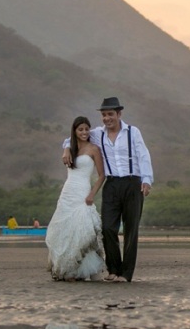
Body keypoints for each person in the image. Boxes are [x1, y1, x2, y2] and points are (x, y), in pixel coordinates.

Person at [62, 97, 153, 283]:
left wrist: (147, 180)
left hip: (132, 183)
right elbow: (74, 137)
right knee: (107, 228)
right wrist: (65, 149)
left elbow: (143, 155)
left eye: (110, 114)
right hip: (111, 184)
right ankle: (113, 269)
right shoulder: (98, 134)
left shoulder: (132, 132)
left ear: (119, 114)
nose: (107, 118)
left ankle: (126, 274)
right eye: (104, 115)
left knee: (131, 229)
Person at [47, 116, 106, 281]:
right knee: (65, 229)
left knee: (84, 229)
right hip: (68, 192)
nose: (85, 132)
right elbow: (67, 143)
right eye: (81, 129)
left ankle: (86, 269)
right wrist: (66, 149)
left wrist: (92, 194)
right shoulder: (70, 149)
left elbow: (102, 176)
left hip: (83, 192)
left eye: (87, 129)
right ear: (75, 131)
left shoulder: (94, 149)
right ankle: (69, 270)